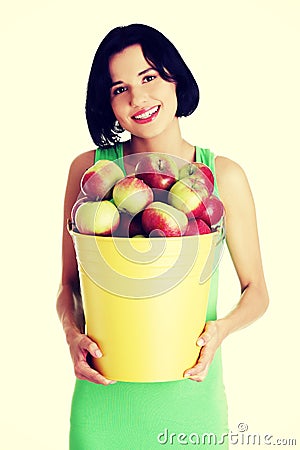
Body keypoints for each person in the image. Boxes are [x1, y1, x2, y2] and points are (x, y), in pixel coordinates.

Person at [56, 24, 269, 449]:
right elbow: (68, 285)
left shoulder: (221, 175)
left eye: (149, 78)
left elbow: (257, 291)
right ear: (108, 102)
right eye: (120, 88)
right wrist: (71, 335)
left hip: (190, 397)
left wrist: (220, 330)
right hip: (105, 400)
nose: (138, 99)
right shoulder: (92, 173)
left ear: (175, 77)